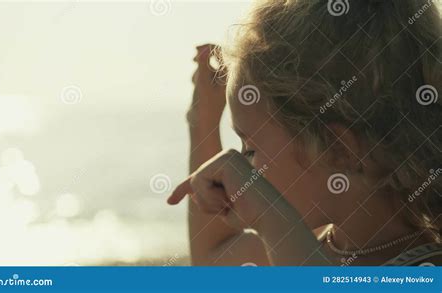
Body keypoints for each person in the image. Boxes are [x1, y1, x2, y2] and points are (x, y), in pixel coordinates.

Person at [168, 0, 442, 266]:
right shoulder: (311, 245)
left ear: (338, 151)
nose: (241, 167)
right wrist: (202, 121)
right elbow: (212, 260)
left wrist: (269, 215)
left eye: (251, 149)